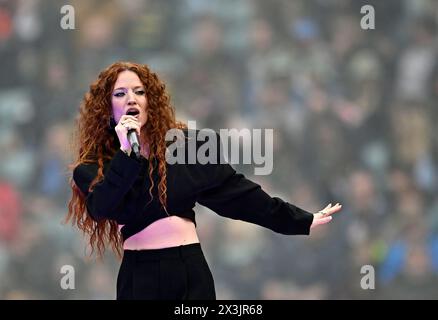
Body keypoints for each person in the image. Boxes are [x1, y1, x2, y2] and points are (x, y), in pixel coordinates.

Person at [67, 61, 342, 300]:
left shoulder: (186, 149)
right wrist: (127, 153)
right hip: (140, 274)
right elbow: (101, 206)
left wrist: (300, 219)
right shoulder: (93, 166)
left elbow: (239, 195)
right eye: (120, 93)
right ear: (107, 107)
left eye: (140, 92)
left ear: (151, 101)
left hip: (188, 268)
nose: (132, 99)